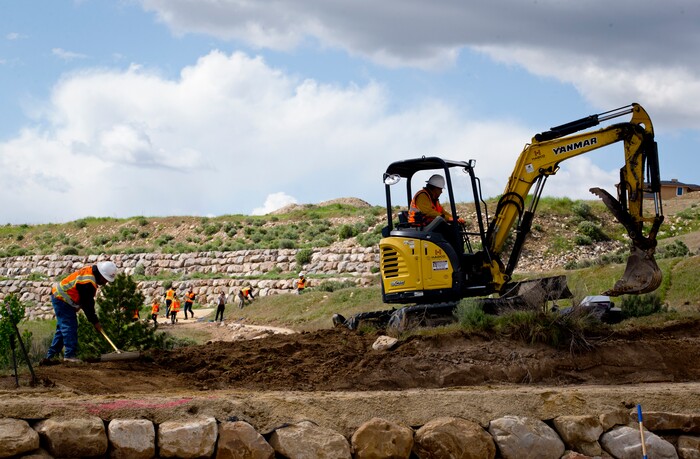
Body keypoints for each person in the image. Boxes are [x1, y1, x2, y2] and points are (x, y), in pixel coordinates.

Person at [42, 261, 117, 364]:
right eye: (105, 280)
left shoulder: (90, 274)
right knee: (70, 326)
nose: (105, 282)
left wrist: (78, 305)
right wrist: (95, 322)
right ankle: (69, 355)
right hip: (62, 299)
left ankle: (50, 358)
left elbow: (82, 297)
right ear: (101, 274)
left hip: (63, 298)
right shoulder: (88, 282)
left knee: (62, 329)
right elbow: (88, 305)